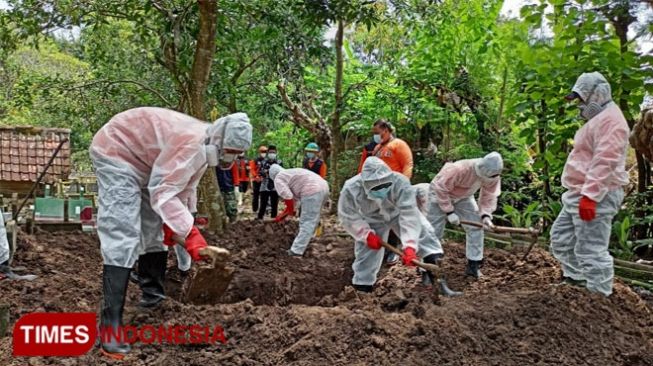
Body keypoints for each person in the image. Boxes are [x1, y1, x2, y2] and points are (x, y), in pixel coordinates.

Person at [89, 107, 252, 359]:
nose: (231, 160)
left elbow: (184, 190)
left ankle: (153, 297)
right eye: (230, 153)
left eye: (237, 155)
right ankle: (110, 328)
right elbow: (164, 193)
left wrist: (188, 242)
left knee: (153, 230)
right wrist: (191, 236)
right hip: (117, 151)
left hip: (148, 165)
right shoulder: (191, 144)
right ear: (218, 142)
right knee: (123, 233)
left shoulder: (204, 146)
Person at [550, 72, 629, 297]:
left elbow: (606, 160)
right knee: (561, 239)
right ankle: (576, 280)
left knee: (591, 250)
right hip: (579, 193)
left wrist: (591, 196)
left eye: (582, 98)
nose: (580, 104)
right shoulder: (598, 119)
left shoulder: (612, 121)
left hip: (597, 195)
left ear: (597, 94)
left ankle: (599, 298)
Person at [338, 157, 445, 292]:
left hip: (397, 212)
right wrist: (365, 234)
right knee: (367, 252)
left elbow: (409, 215)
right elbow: (348, 216)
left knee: (424, 233)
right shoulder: (351, 188)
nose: (381, 189)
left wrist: (410, 246)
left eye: (385, 185)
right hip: (372, 218)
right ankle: (363, 288)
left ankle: (437, 281)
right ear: (365, 184)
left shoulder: (401, 182)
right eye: (376, 187)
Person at [427, 152, 503, 279]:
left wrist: (486, 216)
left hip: (463, 197)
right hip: (438, 195)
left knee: (476, 226)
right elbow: (440, 188)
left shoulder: (493, 175)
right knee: (433, 232)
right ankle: (427, 268)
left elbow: (489, 195)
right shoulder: (460, 169)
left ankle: (474, 265)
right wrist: (449, 211)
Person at [371, 119, 415, 265]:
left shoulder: (399, 144)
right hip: (377, 189)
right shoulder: (377, 148)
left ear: (386, 130)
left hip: (394, 187)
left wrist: (404, 185)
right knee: (378, 219)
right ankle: (381, 249)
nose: (376, 135)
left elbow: (407, 165)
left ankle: (393, 251)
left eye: (377, 132)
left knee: (393, 219)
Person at [269, 165, 329, 256]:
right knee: (314, 218)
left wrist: (290, 211)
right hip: (324, 186)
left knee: (307, 221)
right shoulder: (290, 173)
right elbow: (294, 202)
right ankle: (309, 240)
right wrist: (284, 215)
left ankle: (296, 251)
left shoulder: (278, 178)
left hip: (312, 190)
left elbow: (287, 196)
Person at [257, 145, 282, 219]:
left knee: (274, 205)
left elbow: (281, 173)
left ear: (276, 153)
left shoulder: (279, 162)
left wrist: (268, 172)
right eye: (270, 152)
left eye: (273, 152)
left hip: (275, 186)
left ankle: (274, 220)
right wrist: (267, 172)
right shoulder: (263, 162)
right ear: (268, 153)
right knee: (263, 204)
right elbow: (260, 172)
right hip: (265, 186)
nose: (272, 154)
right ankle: (260, 219)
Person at [250, 145, 268, 213]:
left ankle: (264, 209)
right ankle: (255, 209)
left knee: (264, 195)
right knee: (256, 195)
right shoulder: (254, 160)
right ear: (259, 152)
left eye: (265, 151)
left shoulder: (267, 160)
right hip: (256, 180)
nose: (264, 153)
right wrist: (256, 176)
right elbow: (252, 169)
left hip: (264, 180)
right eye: (263, 151)